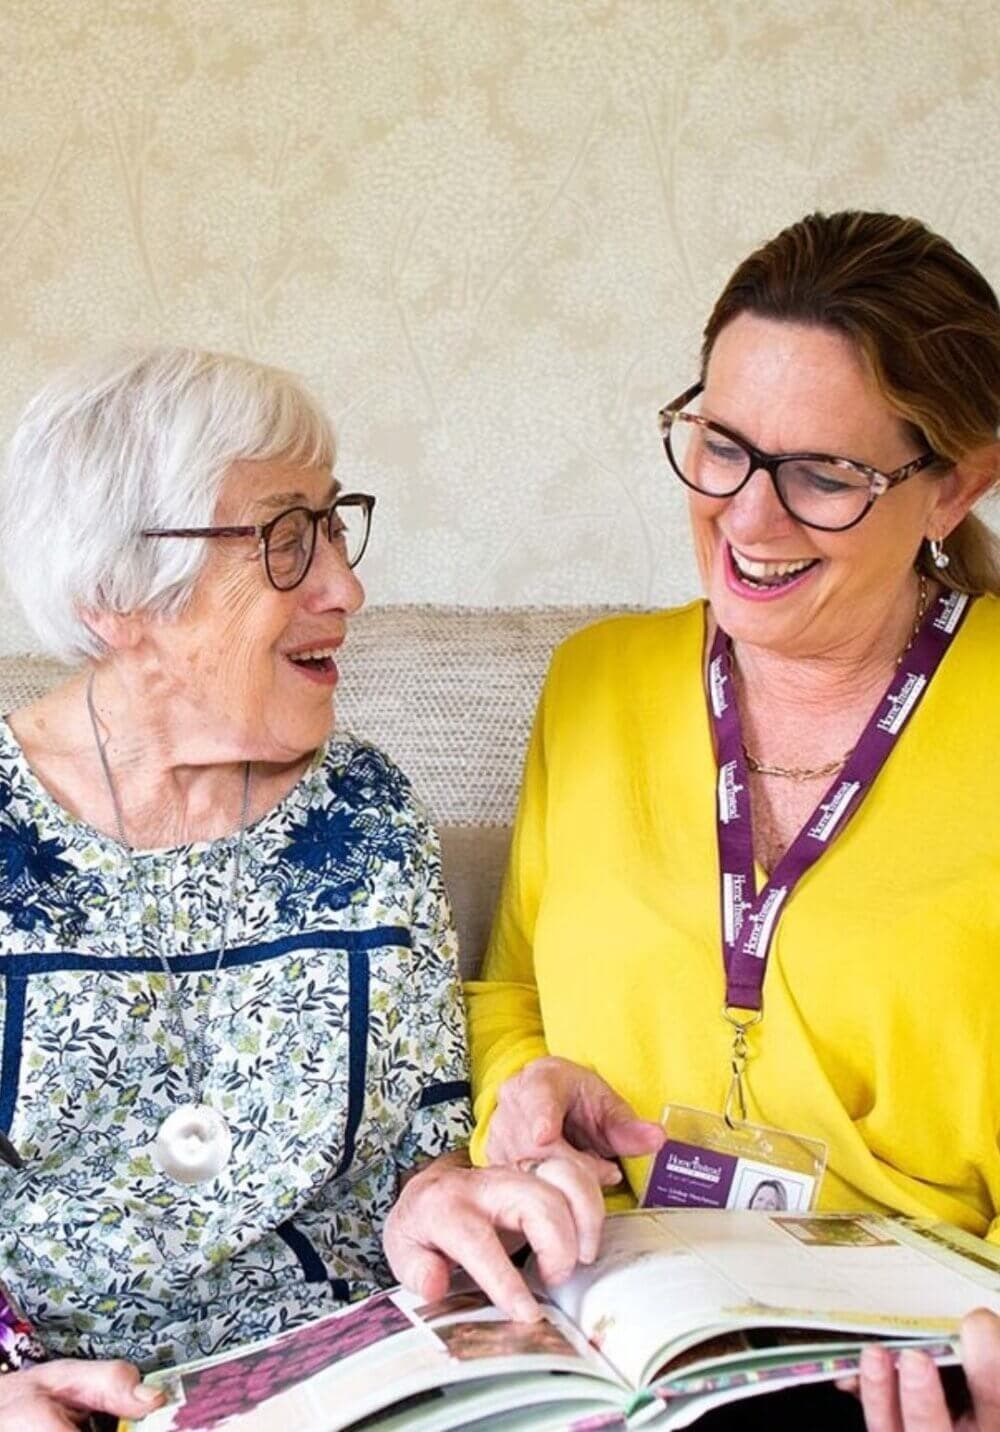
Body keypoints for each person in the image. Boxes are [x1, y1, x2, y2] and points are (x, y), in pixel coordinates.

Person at [466, 212, 1000, 1429]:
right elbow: (509, 995)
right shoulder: (595, 680)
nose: (747, 520)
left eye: (824, 474)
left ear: (955, 484)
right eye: (720, 446)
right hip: (608, 1328)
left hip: (904, 1365)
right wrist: (522, 1090)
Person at [0, 346, 599, 1428]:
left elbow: (421, 1151)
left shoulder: (360, 809)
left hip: (365, 1378)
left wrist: (442, 1198)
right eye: (284, 538)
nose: (344, 585)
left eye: (331, 523)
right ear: (116, 593)